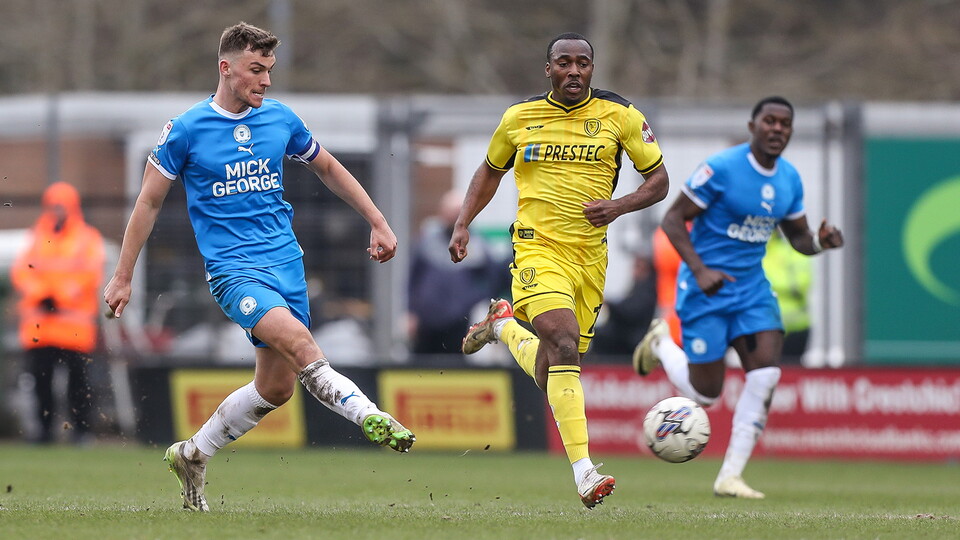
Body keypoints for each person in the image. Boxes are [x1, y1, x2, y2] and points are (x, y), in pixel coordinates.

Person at [102, 22, 415, 512]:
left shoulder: (280, 120)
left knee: (276, 386)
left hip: (286, 264)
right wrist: (123, 275)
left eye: (269, 71)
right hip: (234, 272)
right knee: (300, 343)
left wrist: (378, 221)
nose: (265, 81)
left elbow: (328, 167)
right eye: (256, 70)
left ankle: (192, 453)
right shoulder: (185, 130)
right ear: (226, 68)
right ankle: (369, 415)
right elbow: (147, 204)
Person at [448, 32, 669, 508]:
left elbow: (659, 181)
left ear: (593, 68)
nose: (574, 71)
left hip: (589, 258)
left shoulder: (621, 116)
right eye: (564, 63)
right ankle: (585, 473)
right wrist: (463, 222)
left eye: (583, 63)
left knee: (557, 366)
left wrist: (619, 205)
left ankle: (503, 326)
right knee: (563, 339)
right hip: (536, 249)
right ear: (547, 69)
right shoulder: (519, 117)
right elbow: (490, 170)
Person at [633, 96, 844, 499]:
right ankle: (661, 342)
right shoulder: (723, 169)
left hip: (751, 292)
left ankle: (730, 476)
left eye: (785, 123)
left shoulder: (789, 180)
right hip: (704, 291)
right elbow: (673, 219)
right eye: (770, 121)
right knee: (705, 395)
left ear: (791, 132)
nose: (777, 128)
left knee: (766, 374)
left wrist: (821, 242)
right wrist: (700, 270)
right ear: (753, 126)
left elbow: (798, 238)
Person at [11, 182, 105, 444]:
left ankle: (82, 432)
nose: (57, 210)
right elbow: (21, 271)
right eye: (54, 205)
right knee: (42, 383)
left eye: (62, 205)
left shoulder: (87, 237)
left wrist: (59, 295)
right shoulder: (37, 237)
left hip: (74, 329)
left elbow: (90, 273)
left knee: (79, 384)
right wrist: (42, 294)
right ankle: (43, 432)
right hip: (41, 328)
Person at [407, 190, 508, 356]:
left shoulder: (479, 246)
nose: (453, 218)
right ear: (441, 213)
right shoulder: (426, 244)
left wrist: (480, 304)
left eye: (457, 213)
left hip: (461, 324)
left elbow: (494, 280)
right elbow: (412, 280)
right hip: (427, 324)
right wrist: (410, 313)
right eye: (450, 212)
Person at [762, 230, 812, 363]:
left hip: (795, 326)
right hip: (764, 326)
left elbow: (802, 283)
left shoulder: (790, 250)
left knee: (791, 372)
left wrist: (767, 284)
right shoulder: (753, 252)